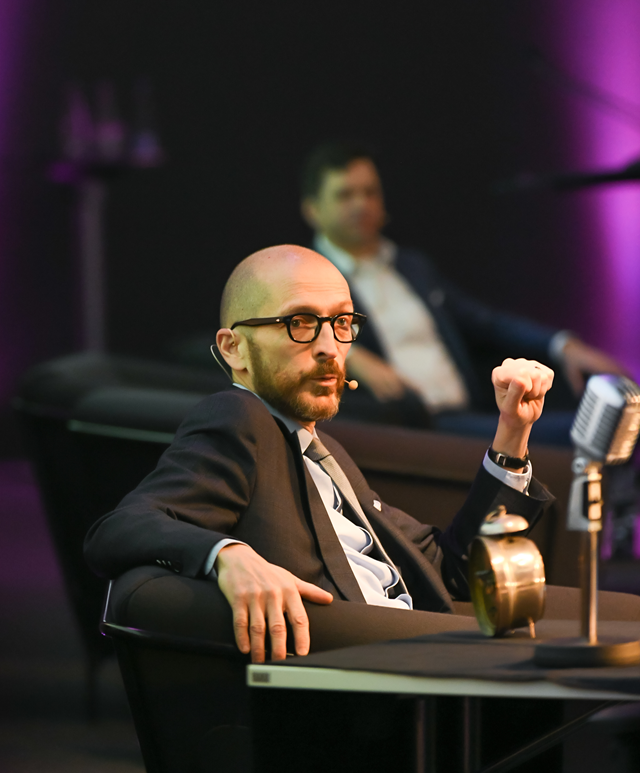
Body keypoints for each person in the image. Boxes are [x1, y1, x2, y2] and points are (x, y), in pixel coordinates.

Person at [87, 243, 615, 668]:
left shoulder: (326, 451)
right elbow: (118, 528)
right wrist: (227, 554)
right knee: (604, 641)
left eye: (341, 323)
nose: (328, 347)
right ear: (233, 349)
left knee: (617, 621)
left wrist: (512, 431)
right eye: (299, 322)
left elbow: (451, 568)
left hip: (424, 626)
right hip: (378, 658)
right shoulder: (238, 418)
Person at [300, 141, 628, 443]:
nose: (361, 204)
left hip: (466, 413)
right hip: (406, 427)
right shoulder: (307, 276)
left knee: (613, 418)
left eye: (369, 192)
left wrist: (561, 344)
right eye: (345, 195)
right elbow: (291, 337)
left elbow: (486, 322)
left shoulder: (411, 267)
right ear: (312, 209)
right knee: (590, 430)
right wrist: (351, 355)